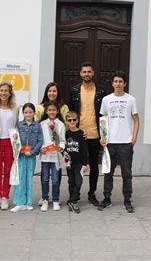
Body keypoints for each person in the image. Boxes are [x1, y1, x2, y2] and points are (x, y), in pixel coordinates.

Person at [98, 71, 139, 213]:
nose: (118, 84)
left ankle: (127, 200)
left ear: (125, 83)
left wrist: (134, 137)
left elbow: (136, 119)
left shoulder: (131, 100)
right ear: (112, 83)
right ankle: (107, 198)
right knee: (108, 172)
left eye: (120, 81)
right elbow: (103, 119)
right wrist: (103, 138)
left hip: (126, 142)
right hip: (110, 142)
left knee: (126, 173)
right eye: (115, 81)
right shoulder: (106, 100)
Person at [68, 61, 106, 206]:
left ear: (93, 73)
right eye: (84, 72)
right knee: (76, 164)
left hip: (95, 133)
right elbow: (71, 111)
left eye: (89, 71)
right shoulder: (74, 90)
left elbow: (104, 114)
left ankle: (92, 193)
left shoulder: (101, 91)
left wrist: (104, 134)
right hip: (79, 134)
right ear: (80, 73)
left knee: (94, 165)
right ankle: (74, 194)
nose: (87, 74)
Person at [0, 82, 19, 210]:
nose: (3, 93)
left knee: (7, 171)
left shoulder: (15, 109)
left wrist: (16, 146)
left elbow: (17, 126)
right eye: (1, 90)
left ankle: (5, 197)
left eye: (6, 91)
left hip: (10, 143)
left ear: (10, 93)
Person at [10, 103, 43, 212]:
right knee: (20, 178)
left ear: (34, 113)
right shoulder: (19, 125)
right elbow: (15, 139)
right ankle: (19, 203)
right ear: (23, 113)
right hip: (21, 156)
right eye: (26, 112)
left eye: (30, 112)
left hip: (31, 156)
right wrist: (17, 150)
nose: (28, 114)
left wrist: (33, 152)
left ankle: (28, 202)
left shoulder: (37, 125)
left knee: (29, 177)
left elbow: (40, 141)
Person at [39, 101, 66, 211]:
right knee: (44, 178)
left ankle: (55, 200)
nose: (51, 112)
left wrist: (61, 147)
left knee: (55, 179)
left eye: (54, 110)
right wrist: (42, 148)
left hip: (56, 157)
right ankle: (45, 199)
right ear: (46, 111)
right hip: (45, 156)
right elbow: (40, 139)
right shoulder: (42, 124)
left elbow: (63, 140)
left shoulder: (60, 125)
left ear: (58, 111)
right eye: (49, 110)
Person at [64, 111, 89, 214]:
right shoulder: (65, 134)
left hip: (79, 163)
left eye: (74, 119)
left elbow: (84, 149)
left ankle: (73, 201)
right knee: (71, 181)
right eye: (70, 120)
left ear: (77, 120)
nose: (72, 121)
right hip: (69, 163)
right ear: (67, 121)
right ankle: (72, 199)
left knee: (78, 181)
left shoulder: (81, 134)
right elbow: (63, 147)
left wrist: (85, 163)